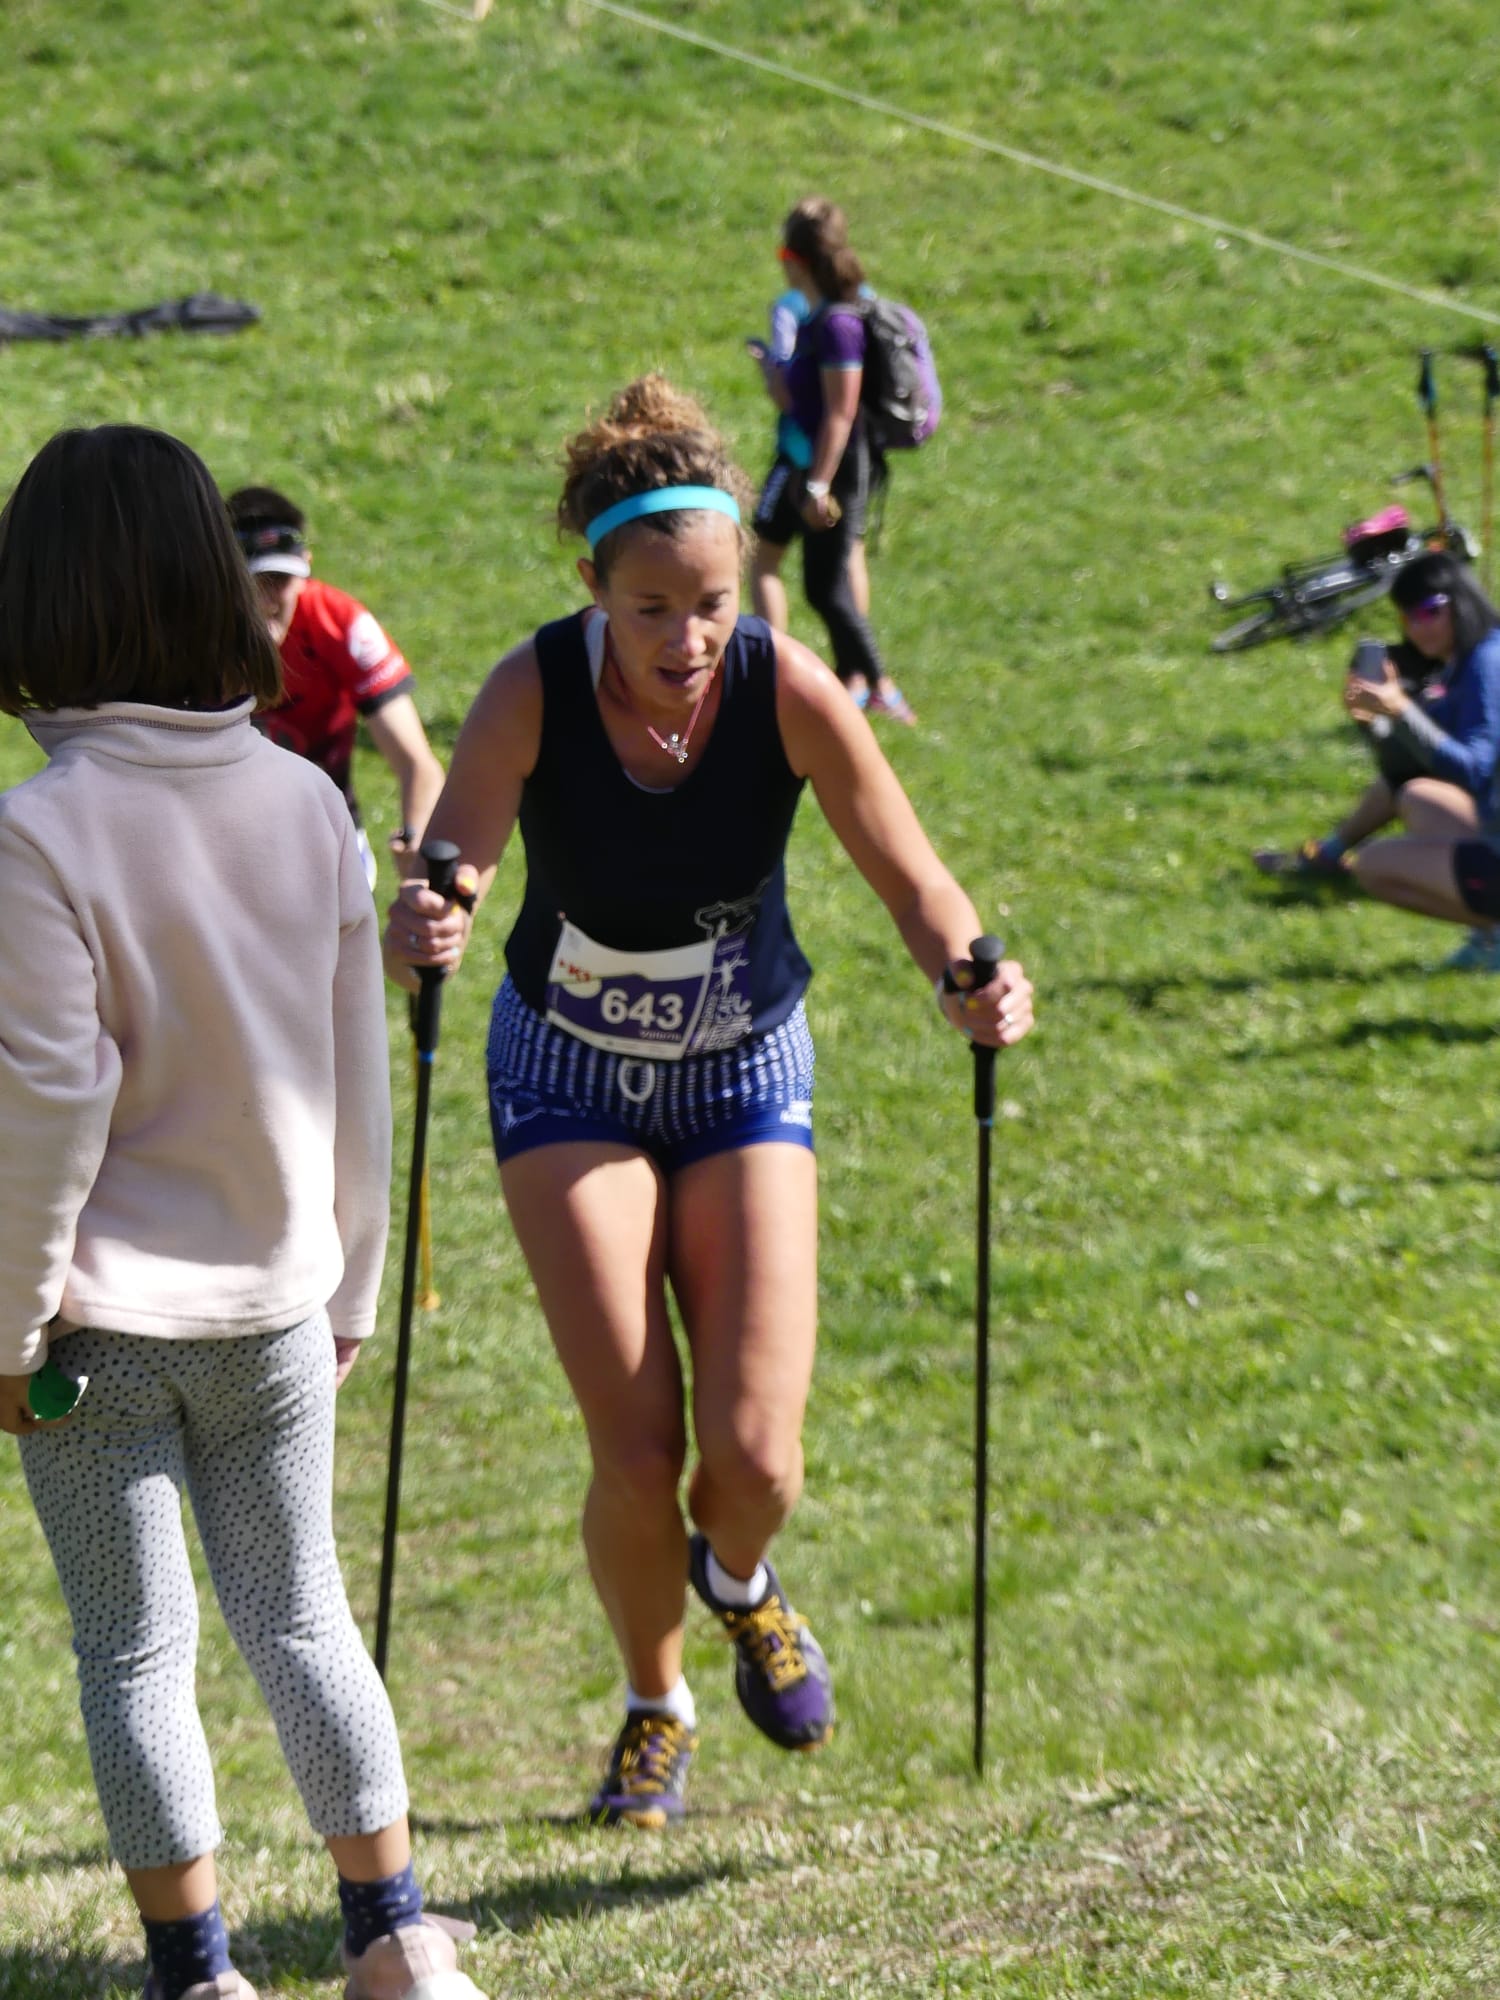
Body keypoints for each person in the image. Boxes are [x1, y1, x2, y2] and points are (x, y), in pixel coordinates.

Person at [386, 376, 1033, 1829]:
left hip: (743, 1068)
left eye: (714, 603)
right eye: (654, 609)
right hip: (567, 1072)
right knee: (636, 1450)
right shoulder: (531, 690)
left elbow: (914, 876)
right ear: (593, 589)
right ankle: (655, 1703)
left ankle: (738, 1580)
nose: (688, 639)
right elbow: (452, 866)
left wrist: (971, 974)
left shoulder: (784, 689)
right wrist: (426, 921)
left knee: (755, 1458)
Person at [0, 427, 487, 2000]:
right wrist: (348, 1288)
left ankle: (198, 1970)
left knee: (134, 1650)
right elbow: (355, 1075)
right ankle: (395, 1933)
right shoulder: (305, 806)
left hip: (97, 1333)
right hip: (281, 1301)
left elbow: (44, 1109)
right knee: (303, 1617)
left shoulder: (37, 832)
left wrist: (9, 1330)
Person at [1253, 553, 1500, 968]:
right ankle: (1490, 933)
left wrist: (1400, 710)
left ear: (1461, 601)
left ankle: (1493, 932)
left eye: (1429, 611)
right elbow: (1412, 762)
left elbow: (1472, 768)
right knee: (1417, 797)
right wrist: (1377, 720)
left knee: (1373, 866)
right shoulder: (1470, 661)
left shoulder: (1487, 664)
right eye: (1407, 617)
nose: (1417, 627)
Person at [227, 485, 446, 889]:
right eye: (254, 582)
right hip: (222, 837)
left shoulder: (339, 622)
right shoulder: (193, 638)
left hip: (326, 831)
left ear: (306, 565)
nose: (268, 601)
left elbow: (417, 764)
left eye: (280, 580)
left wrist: (415, 842)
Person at [749, 198, 912, 723]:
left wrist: (818, 485)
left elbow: (840, 414)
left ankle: (881, 687)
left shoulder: (838, 324)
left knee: (827, 588)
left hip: (836, 469)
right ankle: (861, 685)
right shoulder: (820, 317)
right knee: (824, 587)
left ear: (796, 260)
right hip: (818, 465)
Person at [747, 269, 873, 643]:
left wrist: (767, 367)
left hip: (801, 455)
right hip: (856, 456)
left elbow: (788, 395)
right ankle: (855, 662)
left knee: (763, 557)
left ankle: (773, 660)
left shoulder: (790, 308)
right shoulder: (864, 299)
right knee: (850, 554)